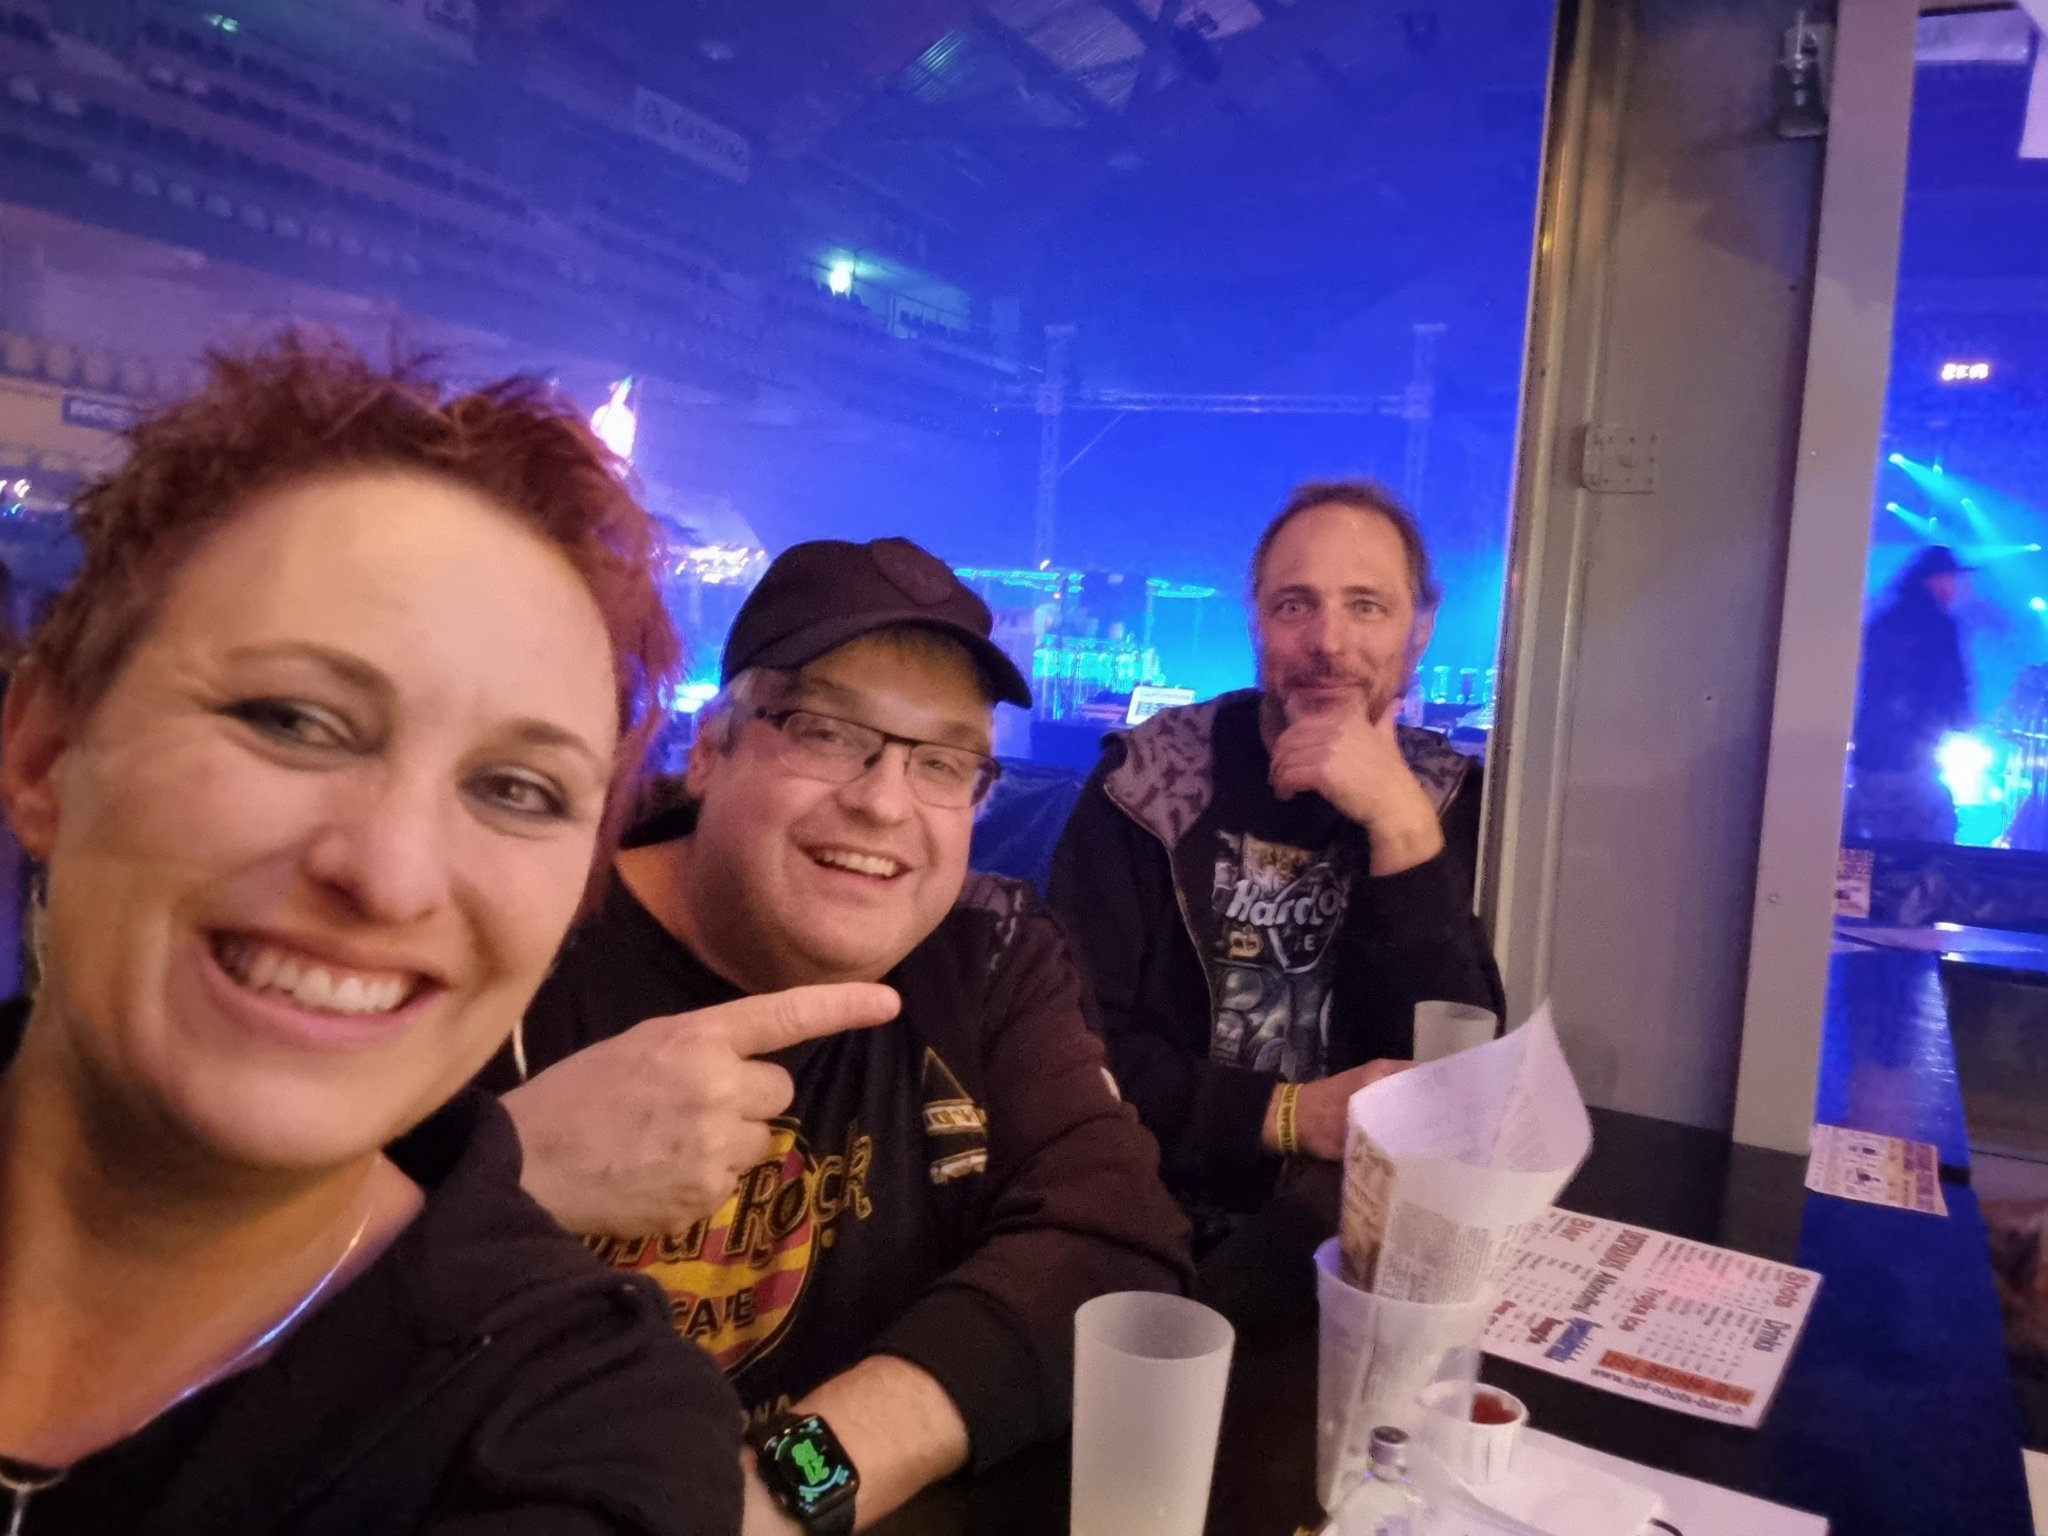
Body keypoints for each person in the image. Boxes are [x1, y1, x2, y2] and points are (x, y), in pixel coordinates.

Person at [0, 337, 746, 1535]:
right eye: (294, 720)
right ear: (45, 754)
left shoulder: (580, 1431)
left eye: (516, 790)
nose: (390, 876)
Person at [487, 536, 1193, 1535]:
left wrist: (782, 1491)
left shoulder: (989, 956)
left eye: (940, 762)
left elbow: (1114, 1243)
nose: (882, 802)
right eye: (825, 732)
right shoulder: (515, 941)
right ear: (710, 748)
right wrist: (508, 1175)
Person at [1047, 480, 1503, 1255]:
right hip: (1149, 1215)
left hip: (1365, 1233)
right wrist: (1289, 1115)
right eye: (1295, 605)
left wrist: (1401, 827)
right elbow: (1069, 1048)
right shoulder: (1145, 782)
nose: (1329, 641)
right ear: (1257, 620)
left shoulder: (1451, 800)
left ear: (1420, 629)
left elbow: (1458, 1087)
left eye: (1367, 606)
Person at [1845, 545, 1974, 844]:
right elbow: (1948, 684)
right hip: (1912, 755)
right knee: (1929, 838)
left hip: (1871, 755)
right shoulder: (1940, 628)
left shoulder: (1882, 622)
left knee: (1877, 839)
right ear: (1935, 580)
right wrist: (1960, 717)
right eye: (1951, 579)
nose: (1955, 588)